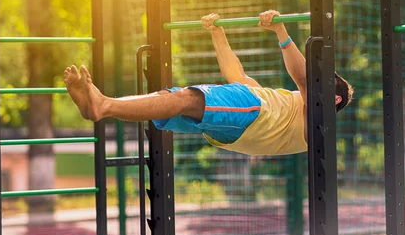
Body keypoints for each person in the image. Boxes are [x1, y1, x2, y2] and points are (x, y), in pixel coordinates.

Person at [64, 10, 353, 156]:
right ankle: (103, 107)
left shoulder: (315, 121)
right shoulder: (284, 101)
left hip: (254, 115)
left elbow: (303, 78)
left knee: (185, 99)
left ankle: (102, 104)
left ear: (334, 99)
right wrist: (217, 32)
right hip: (239, 120)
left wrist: (281, 31)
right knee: (170, 102)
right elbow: (236, 77)